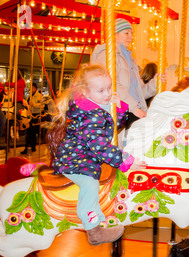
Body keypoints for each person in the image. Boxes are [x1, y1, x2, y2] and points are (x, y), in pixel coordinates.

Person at [48, 64, 146, 245]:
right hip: (75, 160)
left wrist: (118, 109)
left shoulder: (96, 106)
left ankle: (103, 214)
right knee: (90, 184)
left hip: (86, 156)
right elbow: (99, 146)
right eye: (101, 90)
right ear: (85, 92)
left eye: (109, 88)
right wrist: (124, 160)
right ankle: (93, 229)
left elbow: (110, 129)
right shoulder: (89, 114)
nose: (107, 93)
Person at [90, 18, 161, 120]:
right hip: (121, 110)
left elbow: (139, 93)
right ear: (114, 34)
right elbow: (112, 85)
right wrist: (134, 108)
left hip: (132, 110)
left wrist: (154, 83)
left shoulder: (128, 58)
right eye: (126, 33)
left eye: (131, 33)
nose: (131, 37)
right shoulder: (107, 55)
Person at [21, 83, 43, 154]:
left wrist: (34, 105)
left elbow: (42, 106)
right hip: (29, 115)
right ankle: (30, 147)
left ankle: (29, 147)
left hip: (36, 116)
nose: (30, 89)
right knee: (29, 132)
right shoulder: (28, 96)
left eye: (31, 88)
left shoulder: (39, 96)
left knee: (31, 132)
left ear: (35, 88)